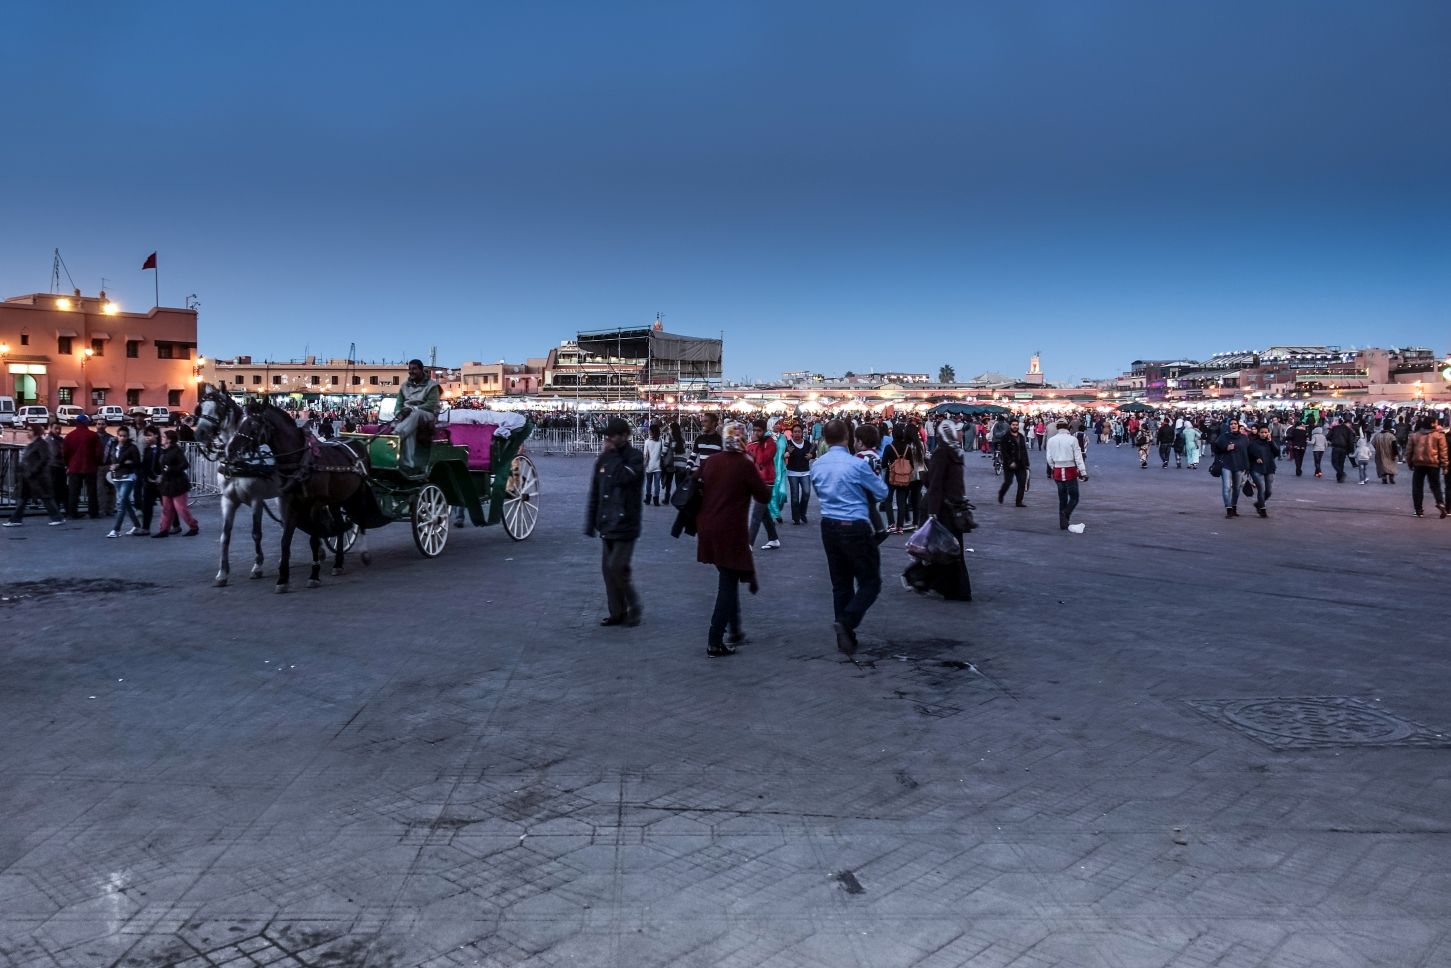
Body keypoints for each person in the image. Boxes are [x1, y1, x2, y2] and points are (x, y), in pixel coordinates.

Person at [810, 419, 889, 657]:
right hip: (854, 525)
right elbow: (882, 492)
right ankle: (847, 621)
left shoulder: (817, 465)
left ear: (825, 438)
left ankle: (844, 637)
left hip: (829, 525)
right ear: (847, 437)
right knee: (870, 581)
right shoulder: (855, 465)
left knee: (840, 583)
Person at [695, 422, 772, 657]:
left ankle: (734, 629)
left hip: (708, 527)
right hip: (730, 530)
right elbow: (763, 494)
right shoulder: (743, 464)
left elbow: (696, 481)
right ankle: (714, 640)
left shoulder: (712, 461)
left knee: (728, 575)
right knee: (727, 584)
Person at [585, 417, 645, 625]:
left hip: (626, 521)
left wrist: (615, 455)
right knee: (608, 571)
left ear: (624, 436)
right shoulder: (603, 459)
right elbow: (595, 491)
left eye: (612, 435)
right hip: (606, 521)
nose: (608, 439)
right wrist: (591, 521)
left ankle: (633, 604)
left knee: (617, 566)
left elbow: (625, 478)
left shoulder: (635, 457)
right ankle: (617, 612)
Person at [903, 421, 971, 599]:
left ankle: (928, 581)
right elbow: (937, 484)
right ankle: (953, 588)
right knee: (949, 549)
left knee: (946, 548)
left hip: (947, 507)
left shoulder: (949, 452)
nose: (961, 434)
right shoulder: (949, 453)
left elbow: (941, 484)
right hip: (946, 508)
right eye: (958, 431)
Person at [3, 424, 65, 527]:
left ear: (36, 432)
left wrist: (34, 470)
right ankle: (15, 519)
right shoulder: (32, 444)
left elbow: (44, 458)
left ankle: (57, 517)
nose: (28, 433)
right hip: (28, 476)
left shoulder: (41, 444)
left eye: (30, 430)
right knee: (24, 499)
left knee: (46, 498)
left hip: (38, 477)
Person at [393, 359, 441, 474]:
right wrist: (399, 413)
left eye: (414, 369)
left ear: (421, 369)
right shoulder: (404, 386)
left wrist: (412, 409)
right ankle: (408, 464)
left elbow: (431, 404)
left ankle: (397, 433)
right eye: (410, 369)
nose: (411, 371)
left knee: (415, 414)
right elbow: (398, 404)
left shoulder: (432, 385)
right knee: (410, 430)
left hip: (426, 414)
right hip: (409, 418)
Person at [154, 429, 200, 537]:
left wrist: (171, 469)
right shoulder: (163, 450)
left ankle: (193, 526)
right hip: (166, 483)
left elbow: (184, 464)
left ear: (169, 440)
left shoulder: (176, 451)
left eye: (164, 437)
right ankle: (164, 529)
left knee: (181, 508)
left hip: (178, 483)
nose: (162, 439)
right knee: (166, 508)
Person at [1045, 420, 1088, 529]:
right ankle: (1066, 514)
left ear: (1057, 428)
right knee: (1074, 497)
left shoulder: (1051, 440)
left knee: (1062, 498)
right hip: (1070, 470)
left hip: (1058, 470)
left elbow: (1049, 458)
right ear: (1068, 427)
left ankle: (1062, 523)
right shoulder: (1072, 440)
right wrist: (1083, 472)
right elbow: (1078, 457)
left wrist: (1053, 467)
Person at [745, 419, 781, 550]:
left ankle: (749, 544)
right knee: (763, 513)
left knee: (756, 514)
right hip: (756, 481)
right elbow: (747, 453)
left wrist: (756, 444)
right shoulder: (755, 443)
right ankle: (773, 539)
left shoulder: (770, 443)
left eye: (759, 430)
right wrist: (754, 444)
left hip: (767, 482)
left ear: (764, 430)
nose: (756, 433)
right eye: (754, 430)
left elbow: (761, 459)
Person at [63, 414, 104, 519]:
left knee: (74, 491)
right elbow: (98, 452)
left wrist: (67, 464)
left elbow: (65, 452)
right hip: (90, 466)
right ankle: (93, 512)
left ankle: (72, 513)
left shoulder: (70, 436)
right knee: (91, 491)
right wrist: (98, 463)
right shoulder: (93, 435)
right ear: (86, 422)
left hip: (74, 467)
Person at [105, 425, 144, 537]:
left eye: (124, 436)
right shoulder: (114, 446)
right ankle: (137, 525)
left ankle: (116, 530)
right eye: (120, 435)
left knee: (121, 503)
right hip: (117, 476)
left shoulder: (132, 447)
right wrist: (112, 465)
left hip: (128, 476)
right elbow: (111, 458)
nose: (122, 438)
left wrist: (124, 463)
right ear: (117, 435)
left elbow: (137, 462)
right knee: (125, 502)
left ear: (128, 436)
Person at [1405, 416, 1448, 519]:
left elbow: (1409, 451)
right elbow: (1443, 452)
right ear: (1432, 424)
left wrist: (1409, 463)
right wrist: (1444, 465)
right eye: (1436, 423)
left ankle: (1418, 510)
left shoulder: (1415, 436)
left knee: (1417, 487)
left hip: (1418, 464)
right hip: (1433, 464)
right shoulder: (1439, 436)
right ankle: (1440, 502)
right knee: (1435, 486)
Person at [1212, 418, 1251, 518]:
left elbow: (1247, 452)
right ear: (1229, 426)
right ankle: (1228, 509)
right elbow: (1215, 448)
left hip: (1239, 465)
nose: (1233, 425)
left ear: (1238, 425)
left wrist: (1248, 467)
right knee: (1227, 487)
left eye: (1235, 424)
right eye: (1231, 424)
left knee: (1237, 488)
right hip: (1226, 464)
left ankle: (1234, 507)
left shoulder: (1244, 438)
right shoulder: (1224, 437)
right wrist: (1226, 448)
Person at [783, 424, 815, 524]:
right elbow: (783, 455)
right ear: (792, 433)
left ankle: (802, 513)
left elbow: (813, 453)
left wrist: (811, 455)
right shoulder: (788, 444)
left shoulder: (807, 443)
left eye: (799, 432)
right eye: (795, 431)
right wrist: (787, 454)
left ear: (802, 433)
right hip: (792, 472)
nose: (797, 433)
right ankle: (796, 518)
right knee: (795, 497)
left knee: (806, 493)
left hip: (805, 472)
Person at [136, 426, 164, 535]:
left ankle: (175, 525)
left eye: (149, 435)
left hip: (160, 482)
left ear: (156, 435)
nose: (147, 438)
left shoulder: (161, 449)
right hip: (149, 482)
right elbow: (145, 465)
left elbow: (162, 465)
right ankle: (145, 527)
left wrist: (161, 475)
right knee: (147, 506)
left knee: (167, 506)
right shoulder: (147, 449)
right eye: (146, 436)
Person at [996, 417, 1030, 507]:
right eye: (1013, 425)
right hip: (1009, 464)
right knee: (1008, 482)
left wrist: (1027, 463)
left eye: (1016, 425)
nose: (1015, 426)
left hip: (1021, 463)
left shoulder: (1021, 437)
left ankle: (1019, 501)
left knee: (1022, 482)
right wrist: (1010, 462)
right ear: (1010, 426)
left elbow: (1024, 451)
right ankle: (1001, 493)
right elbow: (1004, 452)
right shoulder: (1006, 437)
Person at [1246, 424, 1277, 518]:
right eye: (1262, 432)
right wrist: (1256, 458)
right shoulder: (1253, 443)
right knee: (1261, 488)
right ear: (1258, 433)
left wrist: (1271, 442)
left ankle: (1258, 503)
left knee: (1269, 491)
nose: (1264, 434)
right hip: (1256, 468)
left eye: (1265, 432)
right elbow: (1248, 454)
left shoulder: (1270, 442)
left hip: (1269, 467)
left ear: (1268, 433)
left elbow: (1276, 452)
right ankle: (1262, 509)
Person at [1327, 417, 1355, 483]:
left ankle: (1340, 475)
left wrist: (1333, 441)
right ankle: (1340, 478)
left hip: (1336, 447)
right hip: (1344, 449)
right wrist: (1351, 450)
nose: (1350, 426)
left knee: (1334, 462)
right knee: (1341, 463)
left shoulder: (1335, 428)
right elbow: (1351, 441)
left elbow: (1328, 436)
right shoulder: (1349, 430)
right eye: (1350, 425)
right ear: (1347, 423)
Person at [642, 423, 664, 507]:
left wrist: (644, 465)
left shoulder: (647, 442)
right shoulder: (661, 441)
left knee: (648, 483)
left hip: (649, 466)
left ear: (651, 431)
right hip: (658, 466)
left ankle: (648, 499)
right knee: (657, 484)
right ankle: (656, 500)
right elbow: (663, 453)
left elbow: (645, 455)